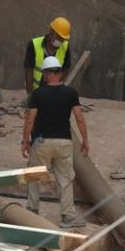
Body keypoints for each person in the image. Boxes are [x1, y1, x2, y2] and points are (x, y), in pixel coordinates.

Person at [22, 56, 89, 228]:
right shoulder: (71, 93)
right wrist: (85, 140)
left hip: (41, 142)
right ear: (59, 73)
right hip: (63, 142)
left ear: (46, 74)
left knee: (34, 175)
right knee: (65, 180)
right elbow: (79, 118)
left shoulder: (38, 94)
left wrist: (25, 141)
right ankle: (68, 217)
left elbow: (30, 120)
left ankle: (32, 211)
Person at [24, 17, 72, 95]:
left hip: (53, 92)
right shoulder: (34, 44)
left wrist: (54, 86)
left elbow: (65, 70)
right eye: (59, 37)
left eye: (63, 39)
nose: (61, 41)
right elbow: (29, 71)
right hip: (36, 90)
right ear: (51, 32)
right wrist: (30, 94)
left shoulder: (65, 47)